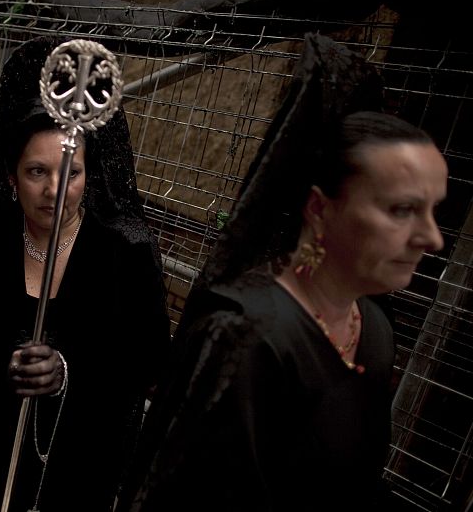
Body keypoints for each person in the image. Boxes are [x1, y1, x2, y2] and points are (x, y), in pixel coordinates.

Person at [116, 33, 448, 512]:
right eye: (400, 210)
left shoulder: (372, 328)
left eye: (432, 211)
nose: (431, 238)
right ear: (319, 207)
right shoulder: (243, 336)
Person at [0, 36, 171, 512]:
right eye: (37, 172)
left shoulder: (125, 256)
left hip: (74, 472)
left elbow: (147, 365)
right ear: (12, 178)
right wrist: (0, 365)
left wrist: (68, 372)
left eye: (70, 173)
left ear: (88, 176)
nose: (55, 190)